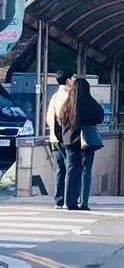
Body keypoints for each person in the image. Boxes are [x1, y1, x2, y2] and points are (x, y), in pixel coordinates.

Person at [57, 77, 105, 211]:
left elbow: (61, 120)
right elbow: (100, 118)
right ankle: (84, 202)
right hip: (87, 140)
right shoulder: (91, 103)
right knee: (86, 170)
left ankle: (70, 202)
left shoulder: (67, 104)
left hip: (70, 141)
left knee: (71, 170)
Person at [44, 70, 74, 210]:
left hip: (54, 138)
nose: (74, 80)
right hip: (67, 138)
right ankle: (69, 200)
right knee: (71, 169)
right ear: (68, 80)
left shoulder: (55, 96)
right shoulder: (70, 96)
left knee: (59, 169)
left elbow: (48, 118)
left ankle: (58, 201)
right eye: (73, 78)